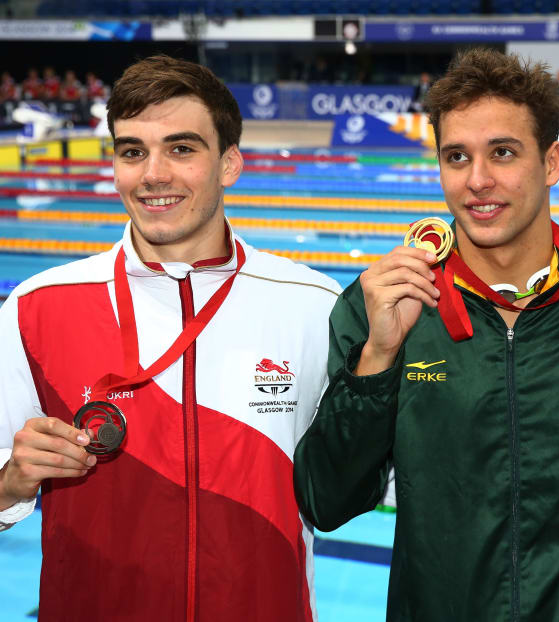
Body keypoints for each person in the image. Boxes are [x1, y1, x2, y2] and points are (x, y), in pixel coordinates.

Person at [294, 48, 559, 621]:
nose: (478, 181)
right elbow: (327, 501)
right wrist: (377, 357)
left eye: (502, 153)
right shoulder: (380, 305)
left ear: (551, 163)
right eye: (457, 157)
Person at [0, 55, 338, 621]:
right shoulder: (38, 307)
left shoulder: (313, 304)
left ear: (230, 163)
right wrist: (13, 480)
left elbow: (354, 485)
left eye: (182, 149)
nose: (153, 174)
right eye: (132, 151)